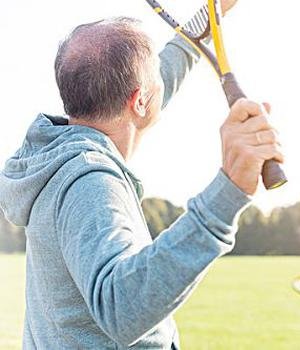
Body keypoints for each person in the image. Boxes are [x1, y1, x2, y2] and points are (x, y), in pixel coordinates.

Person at [0, 2, 283, 349]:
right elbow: (122, 308)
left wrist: (210, 13)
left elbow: (160, 75)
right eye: (153, 76)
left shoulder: (57, 157)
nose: (162, 77)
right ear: (138, 102)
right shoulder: (89, 181)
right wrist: (230, 191)